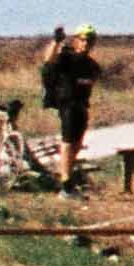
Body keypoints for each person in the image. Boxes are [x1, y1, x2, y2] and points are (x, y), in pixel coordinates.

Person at [36, 24, 107, 188]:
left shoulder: (91, 65)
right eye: (82, 40)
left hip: (82, 104)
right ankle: (66, 181)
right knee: (68, 140)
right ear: (76, 40)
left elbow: (91, 80)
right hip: (67, 103)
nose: (86, 44)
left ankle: (68, 173)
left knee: (78, 141)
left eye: (89, 41)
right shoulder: (66, 58)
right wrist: (56, 42)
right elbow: (49, 61)